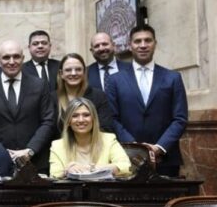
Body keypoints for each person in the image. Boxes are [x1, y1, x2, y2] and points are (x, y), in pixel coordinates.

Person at [106, 25, 188, 177]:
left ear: (155, 44)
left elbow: (180, 118)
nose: (143, 45)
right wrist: (137, 148)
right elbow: (112, 118)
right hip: (127, 157)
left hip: (166, 158)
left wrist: (159, 147)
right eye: (138, 41)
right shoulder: (114, 80)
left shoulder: (173, 78)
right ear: (130, 45)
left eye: (147, 40)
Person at [0, 40, 55, 173]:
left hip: (35, 161)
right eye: (6, 57)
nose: (12, 61)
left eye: (16, 56)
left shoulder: (40, 85)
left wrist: (30, 150)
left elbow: (48, 120)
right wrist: (2, 152)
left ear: (23, 58)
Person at [49, 98, 131, 179]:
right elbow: (54, 175)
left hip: (102, 190)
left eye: (86, 115)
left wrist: (91, 169)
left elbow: (126, 166)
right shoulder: (57, 145)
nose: (81, 120)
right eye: (75, 116)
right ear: (68, 121)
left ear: (94, 119)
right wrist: (67, 171)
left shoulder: (109, 139)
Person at [52, 53, 113, 138]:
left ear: (84, 72)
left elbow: (106, 128)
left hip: (92, 148)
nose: (73, 73)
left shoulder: (98, 96)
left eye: (78, 69)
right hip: (60, 148)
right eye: (68, 70)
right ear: (61, 73)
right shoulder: (52, 98)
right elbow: (49, 129)